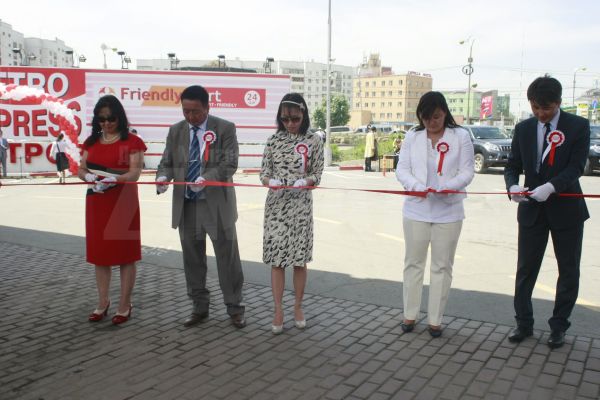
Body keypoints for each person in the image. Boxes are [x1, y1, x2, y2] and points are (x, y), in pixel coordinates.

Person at [504, 75, 590, 349]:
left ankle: (559, 326)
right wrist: (513, 186)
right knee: (525, 269)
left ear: (559, 102)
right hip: (532, 209)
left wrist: (551, 187)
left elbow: (576, 167)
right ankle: (523, 323)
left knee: (568, 270)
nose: (541, 114)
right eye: (536, 108)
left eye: (547, 108)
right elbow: (512, 165)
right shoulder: (524, 128)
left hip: (567, 210)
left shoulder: (578, 126)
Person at [155, 85, 246, 329]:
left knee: (227, 259)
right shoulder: (176, 131)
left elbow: (230, 163)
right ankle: (199, 307)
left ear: (207, 107)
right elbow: (166, 162)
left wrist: (207, 177)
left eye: (195, 111)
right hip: (187, 206)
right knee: (192, 260)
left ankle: (235, 307)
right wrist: (162, 177)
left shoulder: (225, 128)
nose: (190, 116)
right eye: (186, 111)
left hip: (217, 205)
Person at [395, 91, 474, 337]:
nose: (432, 122)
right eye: (426, 117)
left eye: (437, 117)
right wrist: (416, 186)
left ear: (445, 113)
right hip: (416, 209)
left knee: (442, 266)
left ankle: (435, 320)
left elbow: (467, 171)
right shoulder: (413, 136)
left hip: (448, 211)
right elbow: (402, 169)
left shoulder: (460, 136)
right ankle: (409, 314)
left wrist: (448, 186)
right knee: (413, 263)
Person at [78, 95, 146, 325]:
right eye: (102, 119)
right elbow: (81, 169)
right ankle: (102, 302)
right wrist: (87, 177)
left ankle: (124, 304)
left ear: (120, 118)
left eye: (111, 118)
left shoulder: (133, 142)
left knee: (126, 255)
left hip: (123, 202)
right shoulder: (90, 142)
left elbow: (135, 173)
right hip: (97, 201)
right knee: (100, 255)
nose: (106, 123)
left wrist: (115, 180)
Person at [259, 93, 324, 334]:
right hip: (276, 207)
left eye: (295, 119)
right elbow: (263, 173)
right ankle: (278, 310)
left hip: (300, 207)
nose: (290, 124)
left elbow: (317, 173)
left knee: (299, 260)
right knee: (277, 261)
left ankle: (298, 306)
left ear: (303, 115)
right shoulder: (273, 140)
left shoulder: (313, 141)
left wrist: (306, 180)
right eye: (285, 119)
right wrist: (270, 181)